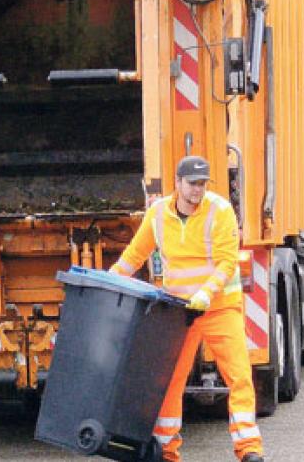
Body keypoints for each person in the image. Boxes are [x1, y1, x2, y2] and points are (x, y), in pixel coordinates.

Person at [110, 155, 264, 462]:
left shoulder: (219, 210)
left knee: (239, 377)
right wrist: (109, 280)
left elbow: (226, 261)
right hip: (179, 312)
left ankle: (249, 451)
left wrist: (206, 294)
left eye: (203, 184)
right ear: (177, 184)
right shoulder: (157, 214)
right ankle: (167, 452)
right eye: (192, 184)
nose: (198, 190)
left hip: (219, 307)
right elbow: (135, 255)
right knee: (170, 381)